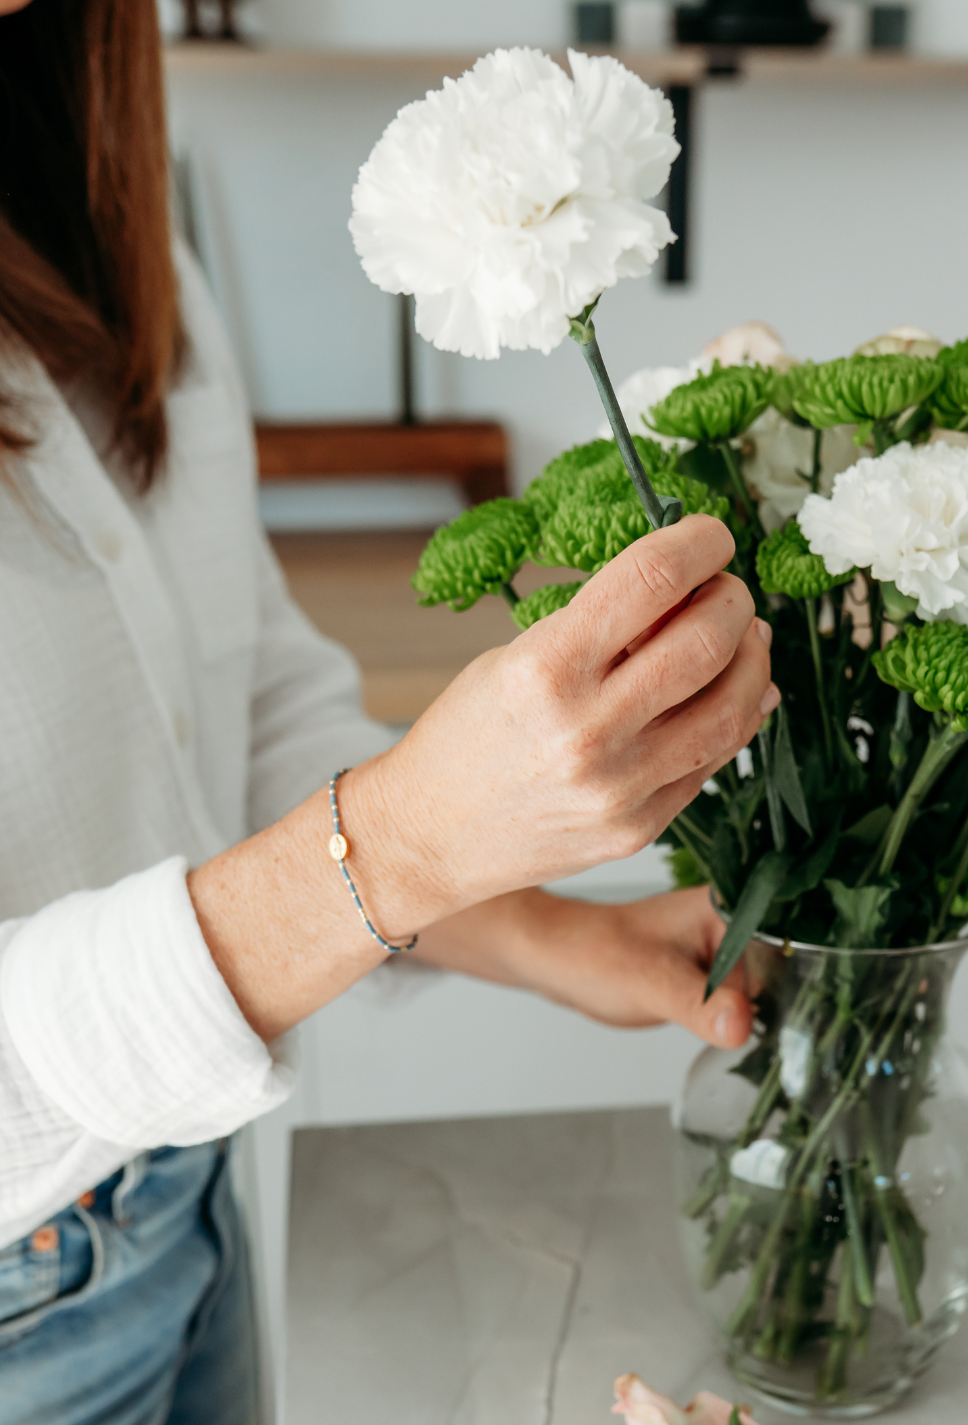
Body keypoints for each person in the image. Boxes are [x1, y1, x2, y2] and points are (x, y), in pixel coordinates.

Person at [0, 2, 778, 1422]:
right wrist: (409, 841)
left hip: (193, 1202)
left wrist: (549, 927)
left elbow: (240, 713)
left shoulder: (109, 234)